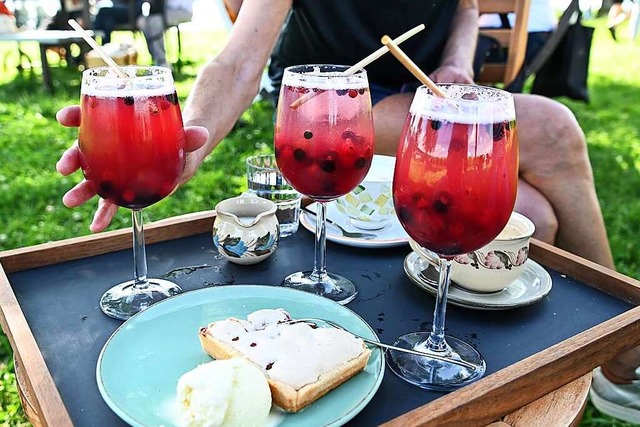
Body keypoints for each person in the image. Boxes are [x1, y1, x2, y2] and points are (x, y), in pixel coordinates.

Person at [56, 1, 635, 421]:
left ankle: (551, 366)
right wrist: (174, 145)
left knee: (530, 212)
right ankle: (626, 352)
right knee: (553, 129)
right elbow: (237, 62)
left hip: (426, 93)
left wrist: (457, 63)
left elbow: (465, 4)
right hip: (327, 103)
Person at [136, 0, 193, 67]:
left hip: (182, 10)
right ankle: (157, 59)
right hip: (162, 11)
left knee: (155, 22)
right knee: (141, 21)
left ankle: (162, 63)